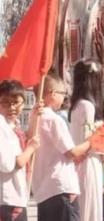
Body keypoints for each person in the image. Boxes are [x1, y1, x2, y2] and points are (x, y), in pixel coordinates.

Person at [30, 74, 92, 221]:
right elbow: (71, 152)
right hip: (60, 187)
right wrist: (92, 141)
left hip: (43, 190)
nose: (64, 98)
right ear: (53, 93)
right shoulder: (53, 119)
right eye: (63, 93)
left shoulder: (35, 118)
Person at [0, 80, 40, 221]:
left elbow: (26, 139)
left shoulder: (12, 125)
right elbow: (12, 163)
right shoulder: (1, 125)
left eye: (16, 102)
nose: (11, 107)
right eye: (5, 103)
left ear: (23, 103)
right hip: (8, 199)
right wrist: (31, 148)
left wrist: (34, 116)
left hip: (15, 197)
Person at [69, 62, 104, 221]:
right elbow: (88, 139)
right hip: (88, 160)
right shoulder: (87, 105)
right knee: (89, 207)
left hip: (79, 161)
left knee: (83, 206)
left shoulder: (76, 104)